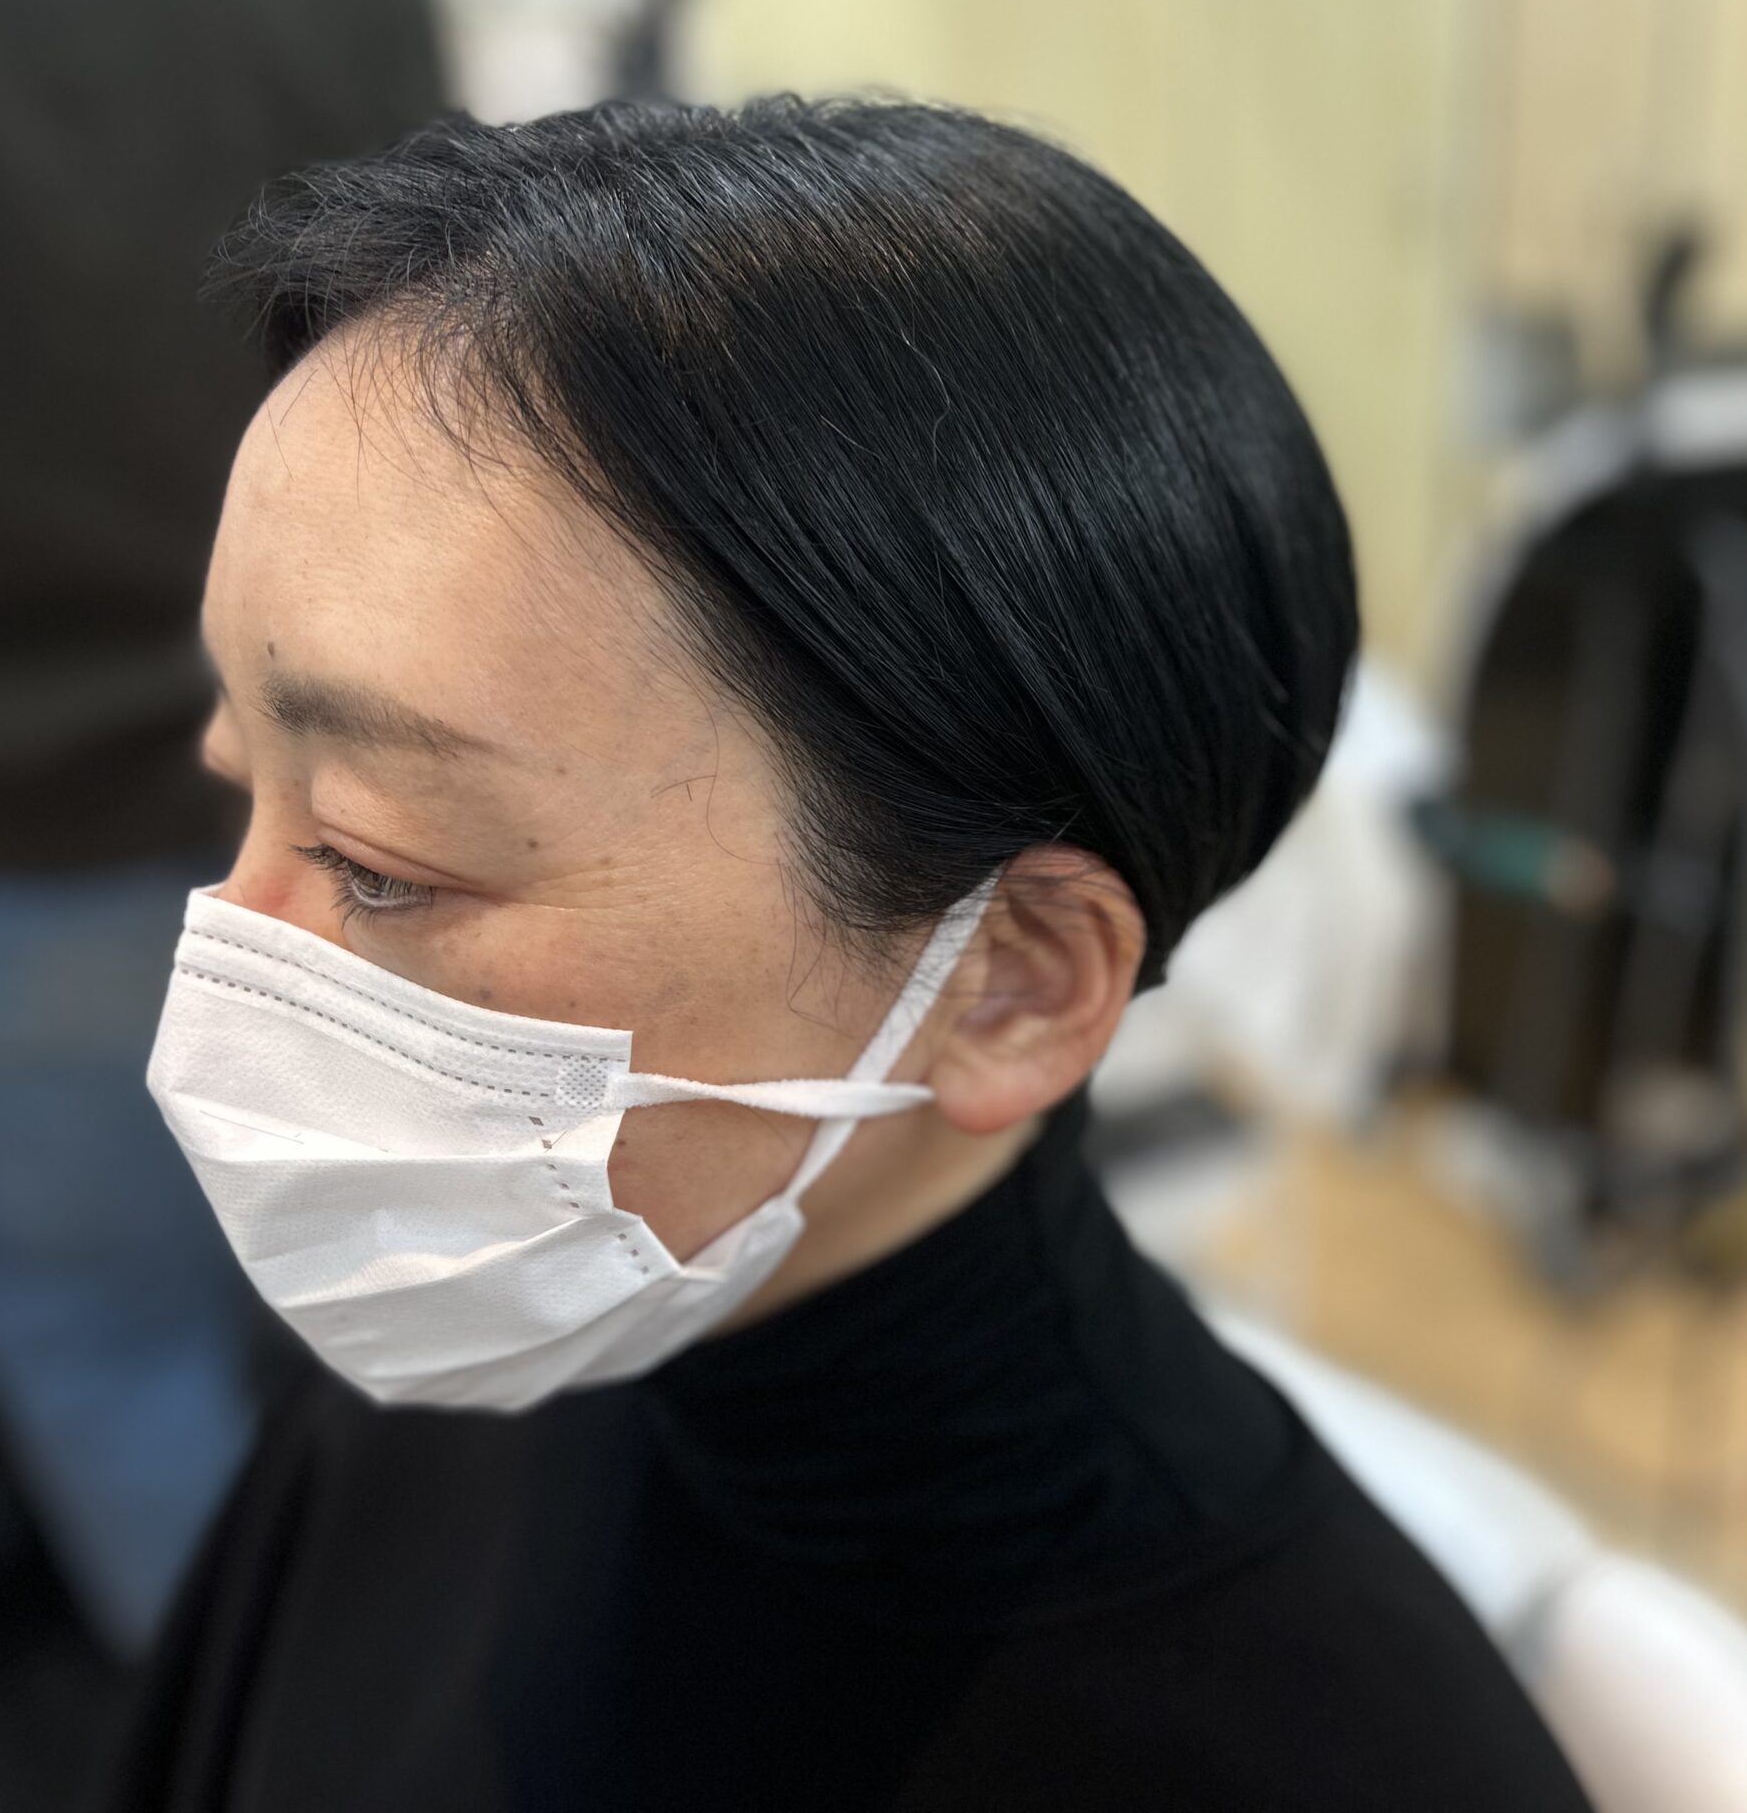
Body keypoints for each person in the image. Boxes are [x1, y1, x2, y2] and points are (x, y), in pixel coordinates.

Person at [100, 97, 1593, 1811]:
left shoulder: (1329, 1758)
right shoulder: (435, 1376)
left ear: (1011, 982)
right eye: (244, 788)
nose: (228, 978)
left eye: (376, 866)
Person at [0, 0, 446, 1652]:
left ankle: (271, 1745)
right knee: (430, 1320)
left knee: (110, 1351)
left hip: (6, 815)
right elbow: (452, 310)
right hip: (359, 785)